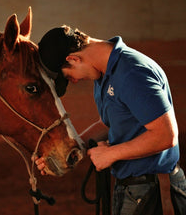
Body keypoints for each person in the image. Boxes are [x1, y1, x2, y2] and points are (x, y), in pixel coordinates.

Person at [35, 25, 186, 215]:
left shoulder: (132, 72)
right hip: (134, 188)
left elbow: (166, 135)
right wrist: (68, 149)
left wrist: (111, 154)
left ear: (73, 58)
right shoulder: (104, 75)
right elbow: (112, 124)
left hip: (152, 189)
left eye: (68, 76)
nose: (73, 81)